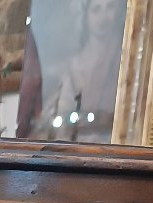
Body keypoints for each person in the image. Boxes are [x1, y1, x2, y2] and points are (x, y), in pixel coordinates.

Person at [30, 0, 127, 142]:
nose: (103, 17)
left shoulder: (123, 58)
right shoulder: (74, 65)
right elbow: (64, 113)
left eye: (110, 8)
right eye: (96, 10)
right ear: (86, 16)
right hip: (81, 145)